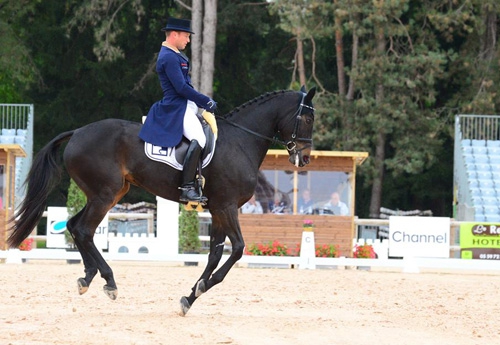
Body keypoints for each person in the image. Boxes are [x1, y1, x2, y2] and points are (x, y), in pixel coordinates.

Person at [138, 18, 217, 203]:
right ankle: (187, 187)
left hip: (185, 105)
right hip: (176, 107)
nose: (188, 40)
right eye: (186, 36)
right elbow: (181, 88)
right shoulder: (168, 57)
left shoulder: (174, 55)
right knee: (200, 139)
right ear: (174, 34)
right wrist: (205, 100)